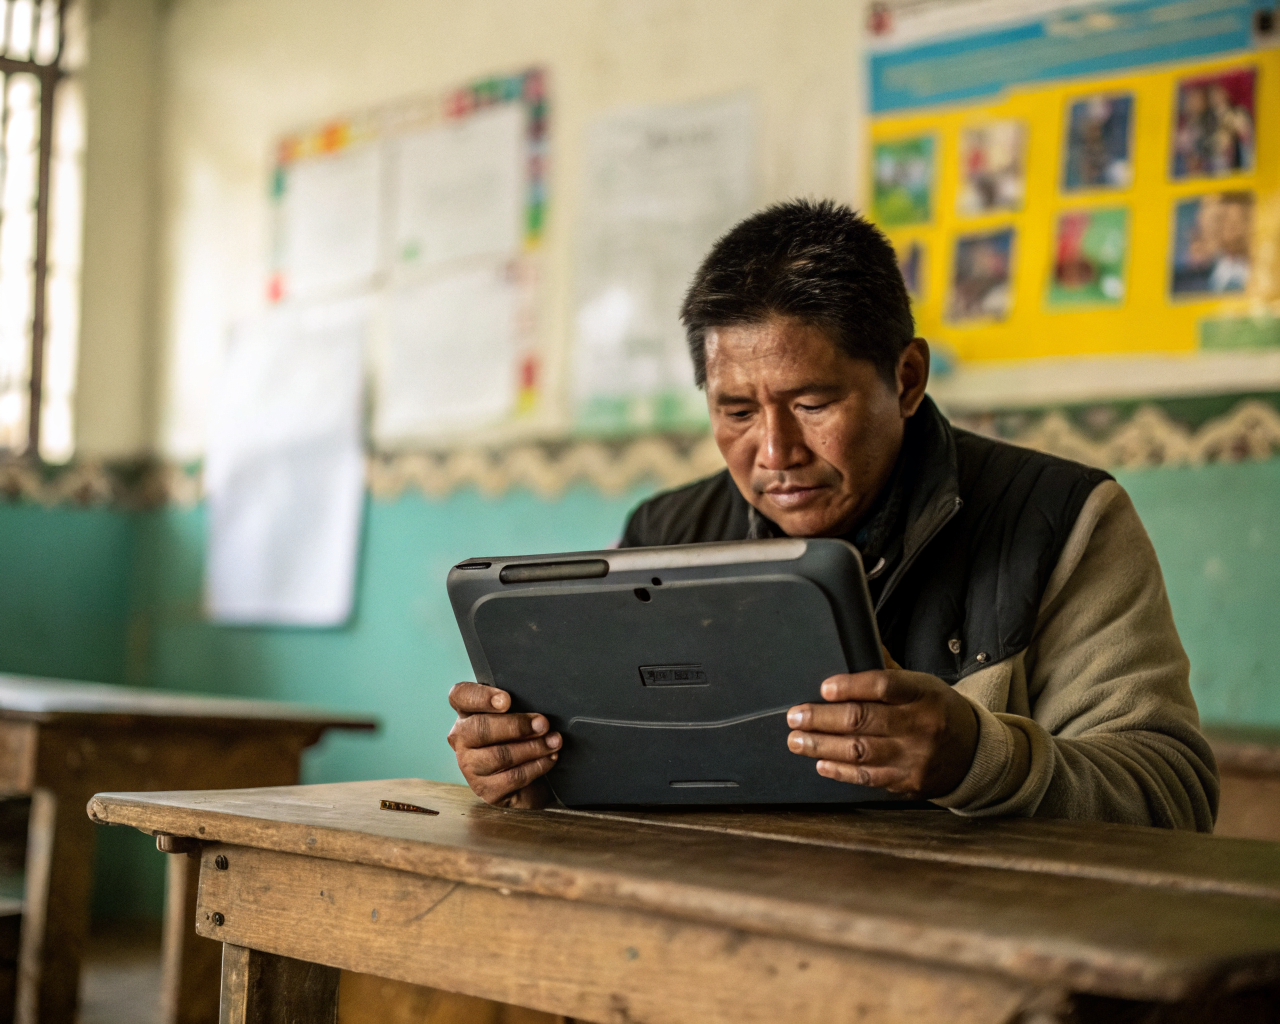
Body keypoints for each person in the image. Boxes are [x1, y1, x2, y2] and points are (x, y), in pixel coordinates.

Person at [447, 200, 1218, 831]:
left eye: (812, 403)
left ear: (907, 379)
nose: (775, 451)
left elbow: (1174, 798)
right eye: (737, 411)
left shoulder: (1059, 519)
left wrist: (978, 756)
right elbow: (612, 787)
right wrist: (527, 770)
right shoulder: (662, 536)